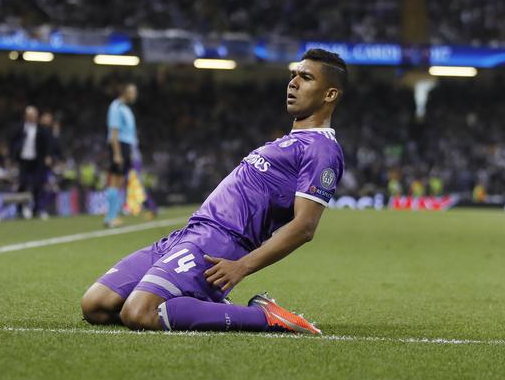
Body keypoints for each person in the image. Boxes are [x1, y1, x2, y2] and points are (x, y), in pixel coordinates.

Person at [81, 49, 346, 334]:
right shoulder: (289, 141)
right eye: (293, 75)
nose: (293, 83)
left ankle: (265, 316)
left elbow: (305, 226)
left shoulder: (321, 150)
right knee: (95, 304)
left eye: (305, 78)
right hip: (188, 234)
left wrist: (241, 266)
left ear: (329, 94)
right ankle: (201, 303)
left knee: (139, 312)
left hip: (220, 243)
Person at [104, 83, 139, 227]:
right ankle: (110, 217)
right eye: (132, 91)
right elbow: (114, 132)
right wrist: (117, 154)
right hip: (119, 145)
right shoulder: (116, 107)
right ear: (124, 92)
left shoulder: (125, 108)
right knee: (115, 180)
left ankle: (113, 215)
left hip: (126, 146)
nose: (135, 94)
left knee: (119, 181)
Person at [11, 106, 49, 219]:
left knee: (38, 185)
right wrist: (13, 158)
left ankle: (36, 209)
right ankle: (19, 209)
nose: (32, 117)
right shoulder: (19, 129)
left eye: (34, 115)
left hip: (36, 160)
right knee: (22, 184)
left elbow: (46, 145)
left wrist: (47, 156)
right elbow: (12, 144)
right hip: (23, 160)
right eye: (30, 115)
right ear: (26, 116)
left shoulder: (41, 130)